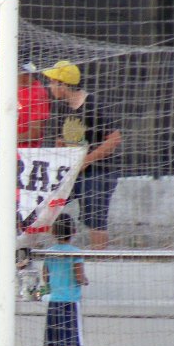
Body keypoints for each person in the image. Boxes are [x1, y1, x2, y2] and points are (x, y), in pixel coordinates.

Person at [42, 60, 122, 250]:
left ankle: (99, 260)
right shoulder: (63, 107)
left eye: (52, 82)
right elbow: (64, 139)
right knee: (46, 206)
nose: (49, 86)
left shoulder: (93, 104)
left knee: (95, 220)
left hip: (99, 171)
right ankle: (59, 250)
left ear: (63, 84)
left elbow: (114, 139)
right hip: (73, 171)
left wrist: (87, 160)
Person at [41, 212, 89, 346]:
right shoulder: (76, 253)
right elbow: (79, 276)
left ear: (53, 232)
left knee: (51, 341)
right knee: (68, 341)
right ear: (74, 231)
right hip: (70, 301)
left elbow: (45, 276)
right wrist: (85, 280)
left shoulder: (49, 252)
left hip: (54, 300)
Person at [0, 62, 50, 147]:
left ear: (25, 74)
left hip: (26, 150)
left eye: (14, 73)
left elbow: (35, 133)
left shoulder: (38, 94)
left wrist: (4, 138)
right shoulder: (15, 87)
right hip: (9, 146)